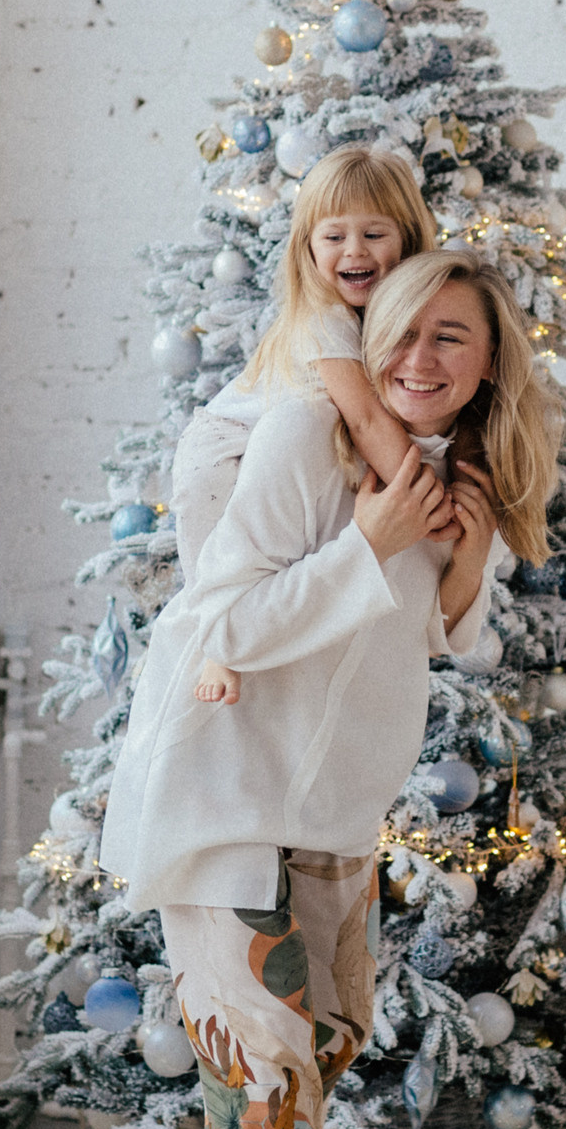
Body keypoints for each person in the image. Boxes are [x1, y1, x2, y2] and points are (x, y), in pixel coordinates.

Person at [104, 250, 560, 1129]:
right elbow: (225, 624)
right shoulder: (305, 439)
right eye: (400, 334)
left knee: (331, 1041)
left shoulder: (458, 475)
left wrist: (455, 542)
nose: (416, 359)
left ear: (489, 358)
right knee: (266, 1067)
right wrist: (367, 542)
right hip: (223, 800)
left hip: (334, 813)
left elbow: (443, 639)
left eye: (449, 338)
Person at [168, 145, 446, 710]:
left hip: (261, 441)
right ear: (308, 247)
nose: (355, 250)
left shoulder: (386, 316)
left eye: (375, 233)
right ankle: (215, 646)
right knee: (219, 555)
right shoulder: (324, 317)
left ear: (408, 240)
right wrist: (425, 500)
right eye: (334, 236)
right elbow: (366, 418)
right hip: (220, 446)